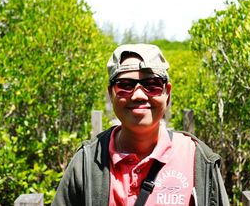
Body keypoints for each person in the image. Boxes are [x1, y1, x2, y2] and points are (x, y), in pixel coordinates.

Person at [52, 43, 230, 206]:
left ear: (167, 92)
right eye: (125, 85)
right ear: (111, 93)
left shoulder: (198, 159)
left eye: (151, 85)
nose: (138, 95)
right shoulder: (87, 163)